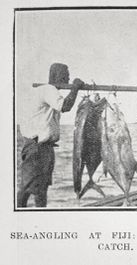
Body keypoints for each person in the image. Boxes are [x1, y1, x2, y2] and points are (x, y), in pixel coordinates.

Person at [18, 63, 84, 207]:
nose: (68, 78)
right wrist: (75, 88)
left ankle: (40, 215)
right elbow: (65, 107)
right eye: (65, 75)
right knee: (27, 186)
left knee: (41, 188)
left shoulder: (48, 92)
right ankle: (18, 215)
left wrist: (74, 88)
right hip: (36, 147)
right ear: (56, 76)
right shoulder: (49, 89)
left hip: (44, 147)